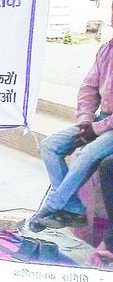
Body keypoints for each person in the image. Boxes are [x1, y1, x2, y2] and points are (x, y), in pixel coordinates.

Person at [31, 39, 113, 231]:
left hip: (108, 126)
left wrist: (97, 129)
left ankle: (52, 207)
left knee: (87, 154)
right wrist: (85, 121)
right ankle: (73, 208)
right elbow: (88, 89)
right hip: (101, 119)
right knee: (50, 145)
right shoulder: (107, 49)